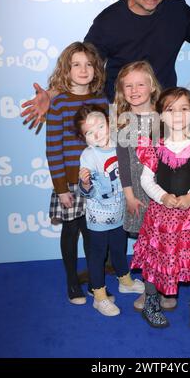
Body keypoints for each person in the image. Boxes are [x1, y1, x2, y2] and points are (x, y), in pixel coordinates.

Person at [20, 0, 190, 125]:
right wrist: (51, 95)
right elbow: (84, 67)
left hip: (163, 118)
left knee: (178, 155)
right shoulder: (108, 22)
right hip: (122, 118)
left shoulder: (177, 11)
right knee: (131, 159)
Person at [131, 87, 190, 328]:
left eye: (184, 108)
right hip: (160, 216)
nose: (177, 114)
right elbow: (146, 180)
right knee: (155, 259)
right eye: (170, 109)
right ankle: (152, 300)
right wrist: (162, 196)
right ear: (161, 116)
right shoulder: (153, 147)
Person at [46, 41, 108, 305]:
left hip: (98, 182)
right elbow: (53, 149)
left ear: (96, 69)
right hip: (70, 184)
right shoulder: (58, 103)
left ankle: (96, 283)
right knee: (72, 231)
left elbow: (109, 142)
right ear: (66, 69)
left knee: (94, 234)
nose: (83, 70)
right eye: (76, 64)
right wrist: (61, 188)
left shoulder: (102, 100)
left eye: (89, 64)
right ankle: (72, 280)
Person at [115, 60, 178, 312]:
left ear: (152, 86)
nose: (134, 89)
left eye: (140, 84)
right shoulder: (122, 120)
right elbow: (123, 161)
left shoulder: (165, 118)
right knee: (148, 247)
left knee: (166, 245)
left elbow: (176, 156)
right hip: (139, 195)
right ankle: (150, 292)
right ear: (121, 90)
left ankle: (165, 289)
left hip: (164, 192)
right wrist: (129, 195)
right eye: (128, 85)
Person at [75, 104, 144, 316]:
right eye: (89, 132)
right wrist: (85, 184)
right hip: (99, 219)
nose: (97, 134)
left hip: (120, 213)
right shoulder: (89, 156)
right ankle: (99, 296)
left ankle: (124, 280)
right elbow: (86, 191)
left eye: (101, 126)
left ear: (109, 123)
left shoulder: (119, 144)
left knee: (119, 248)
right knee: (97, 256)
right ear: (83, 136)